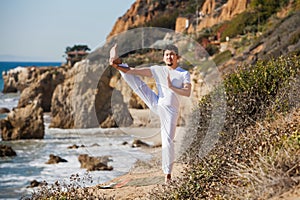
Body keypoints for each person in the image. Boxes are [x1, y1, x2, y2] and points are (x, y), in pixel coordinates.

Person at [109, 44, 191, 183]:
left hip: (171, 111)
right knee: (138, 84)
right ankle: (118, 62)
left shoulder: (183, 74)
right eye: (166, 55)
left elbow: (187, 92)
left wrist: (171, 87)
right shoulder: (158, 70)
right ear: (163, 58)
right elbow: (134, 71)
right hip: (157, 103)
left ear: (177, 57)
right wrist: (118, 67)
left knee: (167, 141)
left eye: (172, 54)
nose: (169, 57)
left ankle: (168, 174)